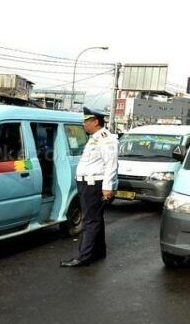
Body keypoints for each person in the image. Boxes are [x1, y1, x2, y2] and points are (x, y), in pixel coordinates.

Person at [60, 107, 118, 267]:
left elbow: (111, 164)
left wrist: (107, 187)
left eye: (86, 121)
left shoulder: (106, 139)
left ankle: (84, 256)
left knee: (90, 221)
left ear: (95, 121)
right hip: (86, 183)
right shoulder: (95, 138)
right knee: (95, 218)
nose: (83, 124)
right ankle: (99, 251)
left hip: (94, 184)